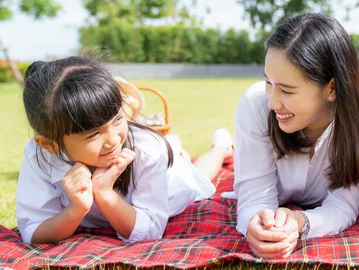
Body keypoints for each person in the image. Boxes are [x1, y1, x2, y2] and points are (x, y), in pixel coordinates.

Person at [16, 56, 232, 244]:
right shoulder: (40, 155)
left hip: (167, 182)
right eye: (93, 134)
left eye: (118, 119)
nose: (112, 141)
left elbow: (150, 231)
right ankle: (177, 149)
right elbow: (33, 230)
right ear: (50, 144)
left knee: (198, 176)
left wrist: (104, 193)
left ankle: (220, 147)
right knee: (176, 154)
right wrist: (76, 210)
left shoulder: (147, 149)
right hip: (149, 161)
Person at [229, 13, 359, 259]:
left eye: (286, 91)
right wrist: (257, 224)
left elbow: (345, 203)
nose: (272, 102)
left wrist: (302, 223)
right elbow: (255, 196)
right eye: (268, 82)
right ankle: (221, 146)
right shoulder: (255, 104)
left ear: (331, 88)